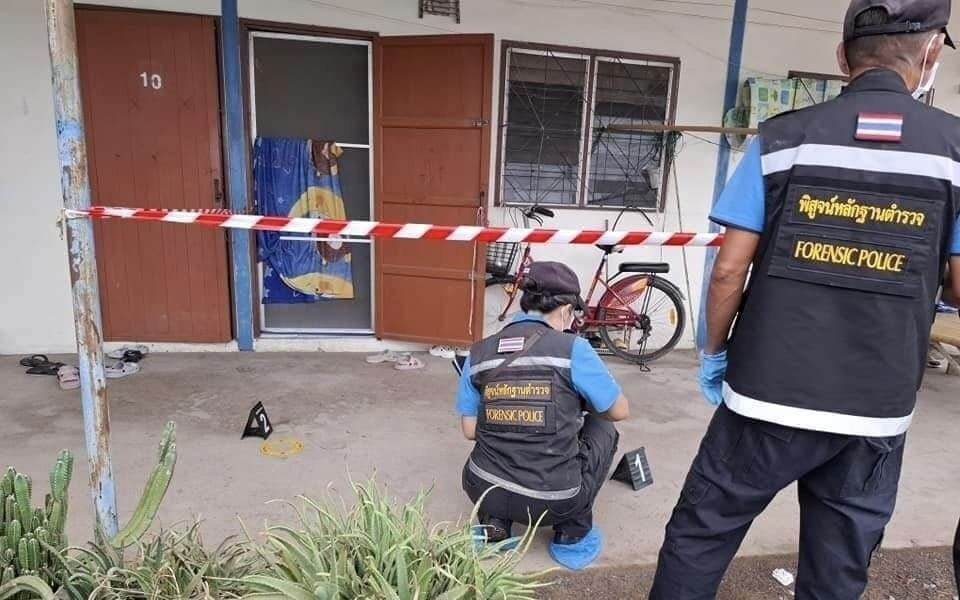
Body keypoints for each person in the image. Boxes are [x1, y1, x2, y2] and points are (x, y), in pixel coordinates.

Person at [649, 1, 960, 598]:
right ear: (932, 53)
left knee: (700, 534)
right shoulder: (953, 151)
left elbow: (727, 271)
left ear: (842, 57)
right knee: (837, 566)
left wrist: (714, 352)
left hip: (766, 395)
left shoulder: (781, 139)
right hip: (875, 407)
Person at [455, 261, 630, 570]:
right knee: (604, 424)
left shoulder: (479, 352)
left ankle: (495, 523)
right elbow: (619, 411)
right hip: (557, 501)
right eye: (574, 314)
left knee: (496, 435)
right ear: (564, 308)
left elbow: (470, 430)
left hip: (482, 488)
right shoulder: (572, 348)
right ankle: (571, 533)